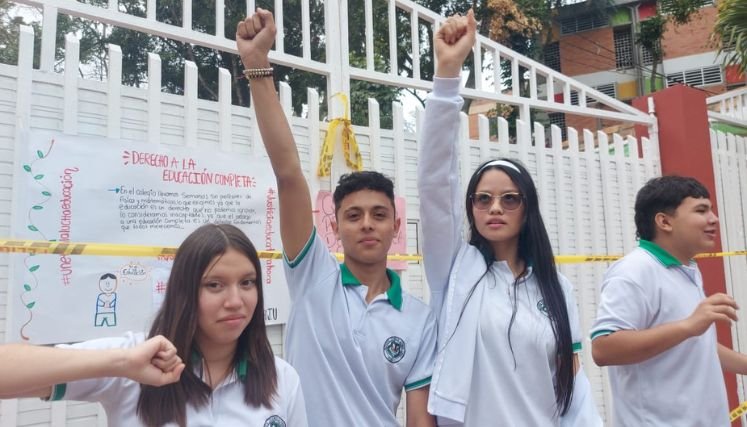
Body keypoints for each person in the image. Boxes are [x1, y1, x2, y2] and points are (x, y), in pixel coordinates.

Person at [236, 10, 437, 427]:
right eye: (354, 215)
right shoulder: (313, 277)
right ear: (334, 226)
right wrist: (257, 65)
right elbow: (289, 175)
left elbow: (420, 418)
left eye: (379, 215)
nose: (367, 223)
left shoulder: (421, 319)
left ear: (396, 228)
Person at [418, 11, 599, 426]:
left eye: (509, 199)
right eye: (482, 199)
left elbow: (572, 385)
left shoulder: (557, 288)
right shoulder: (456, 272)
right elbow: (434, 185)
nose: (494, 208)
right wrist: (447, 75)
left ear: (527, 208)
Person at [0, 223, 307, 427]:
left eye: (247, 283)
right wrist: (120, 363)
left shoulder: (282, 378)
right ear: (184, 292)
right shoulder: (136, 361)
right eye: (214, 285)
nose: (235, 300)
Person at [591, 175, 747, 426]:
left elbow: (696, 345)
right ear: (664, 221)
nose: (713, 219)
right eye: (701, 210)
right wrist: (689, 325)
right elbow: (604, 348)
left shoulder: (688, 269)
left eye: (712, 210)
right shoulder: (634, 271)